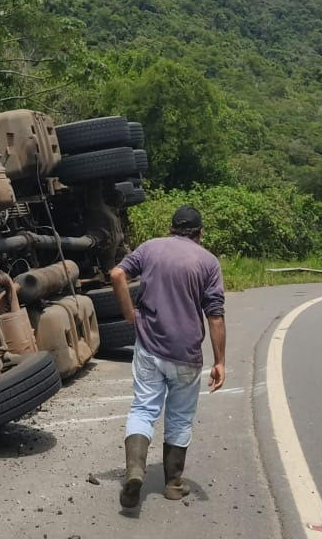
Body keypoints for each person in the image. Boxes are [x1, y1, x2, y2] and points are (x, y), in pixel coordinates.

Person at [108, 205, 226, 509]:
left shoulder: (150, 248)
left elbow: (117, 274)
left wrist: (129, 314)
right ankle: (173, 484)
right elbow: (215, 316)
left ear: (171, 227)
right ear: (199, 232)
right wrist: (220, 361)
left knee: (144, 409)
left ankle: (135, 470)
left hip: (149, 346)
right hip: (186, 354)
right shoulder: (208, 262)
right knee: (180, 416)